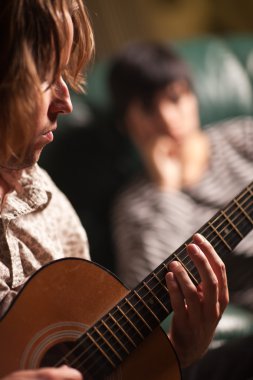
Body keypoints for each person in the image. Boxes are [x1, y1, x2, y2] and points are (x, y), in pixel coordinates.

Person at [0, 2, 228, 379]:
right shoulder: (135, 205)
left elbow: (93, 362)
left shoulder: (48, 201)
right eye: (45, 78)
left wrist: (177, 352)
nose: (66, 103)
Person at [109, 41, 253, 311]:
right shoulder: (133, 205)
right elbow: (147, 306)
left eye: (176, 98)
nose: (167, 118)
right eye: (149, 108)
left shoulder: (245, 138)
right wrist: (167, 190)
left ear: (194, 97)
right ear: (124, 122)